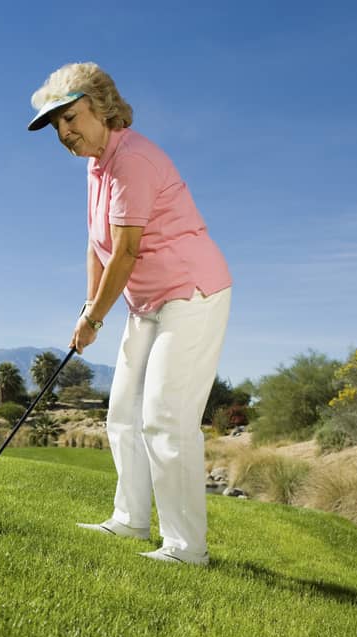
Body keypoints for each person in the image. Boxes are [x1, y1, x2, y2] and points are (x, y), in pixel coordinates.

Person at [27, 62, 232, 566]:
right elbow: (97, 248)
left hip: (191, 293)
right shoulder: (98, 168)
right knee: (122, 413)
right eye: (57, 127)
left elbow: (126, 251)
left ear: (99, 107)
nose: (65, 133)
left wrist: (95, 320)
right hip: (146, 303)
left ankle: (187, 548)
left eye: (70, 118)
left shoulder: (133, 159)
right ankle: (130, 519)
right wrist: (88, 304)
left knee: (165, 417)